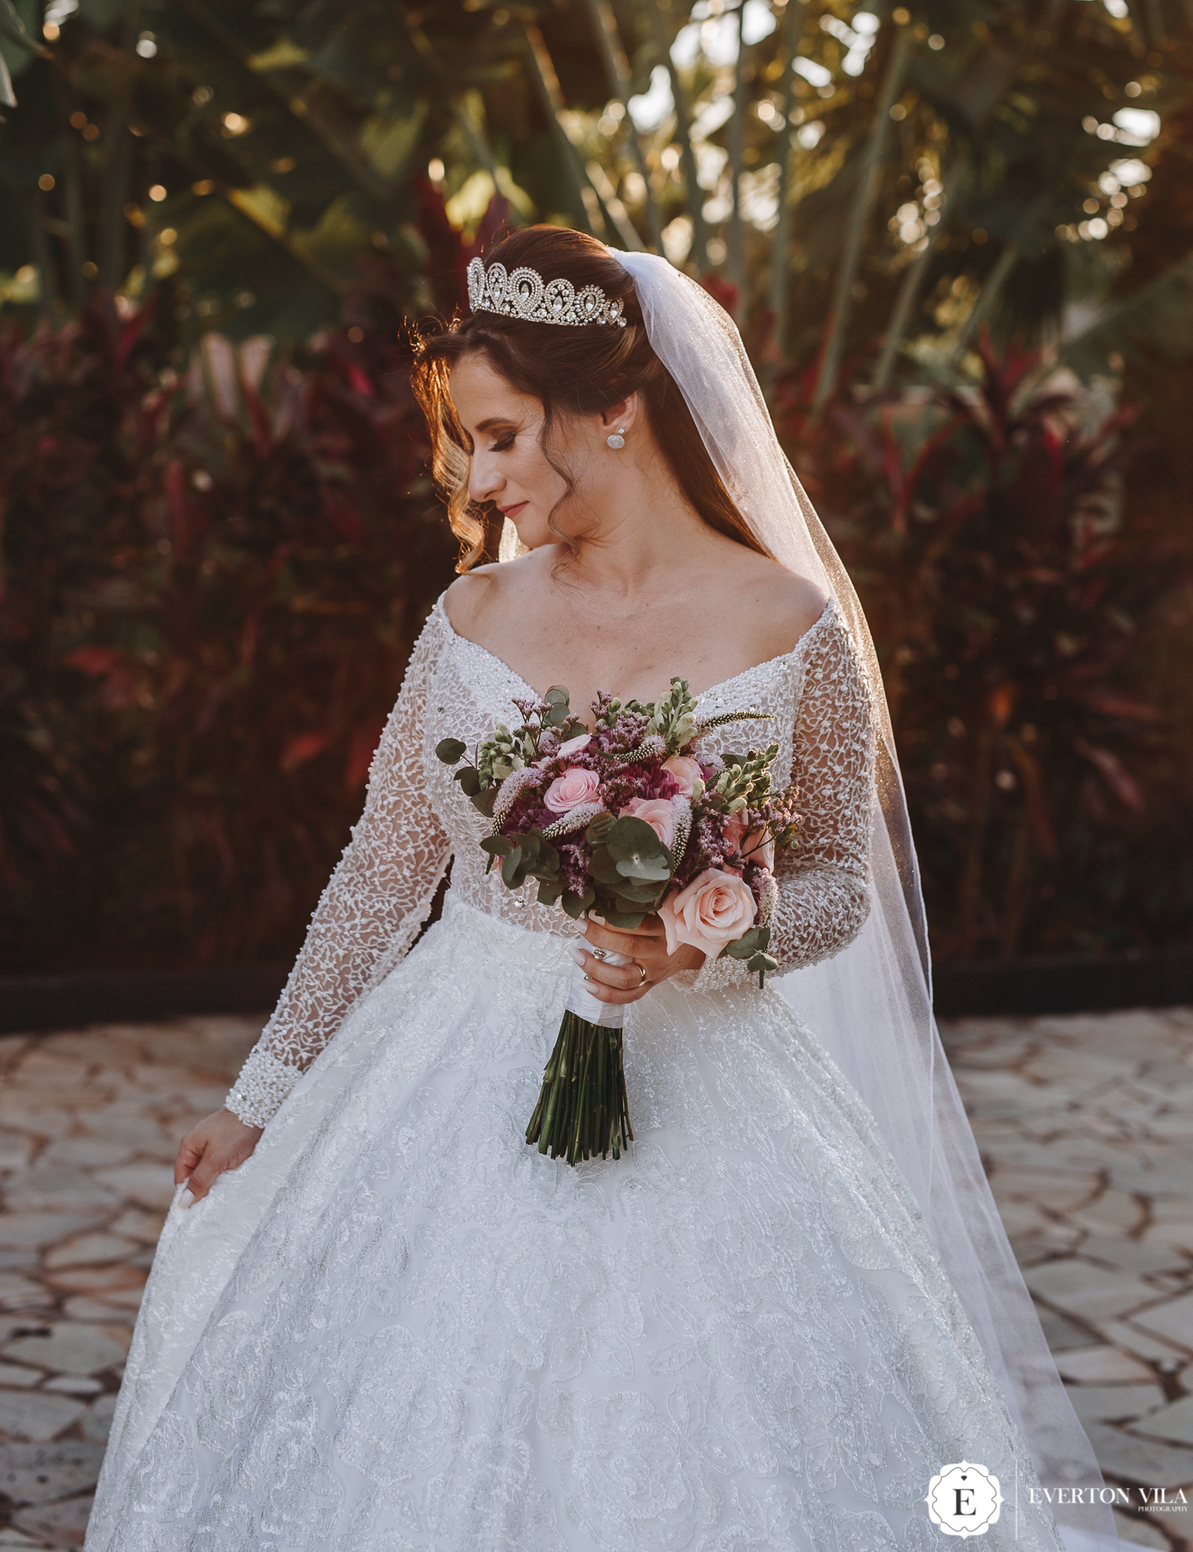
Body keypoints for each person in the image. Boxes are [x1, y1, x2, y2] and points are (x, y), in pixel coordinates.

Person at [84, 229, 1114, 1552]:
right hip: (457, 1066)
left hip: (710, 1079)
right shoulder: (470, 620)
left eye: (504, 435)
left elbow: (837, 890)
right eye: (469, 442)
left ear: (616, 413)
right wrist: (260, 1099)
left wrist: (699, 943)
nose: (479, 476)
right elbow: (382, 870)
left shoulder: (790, 626)